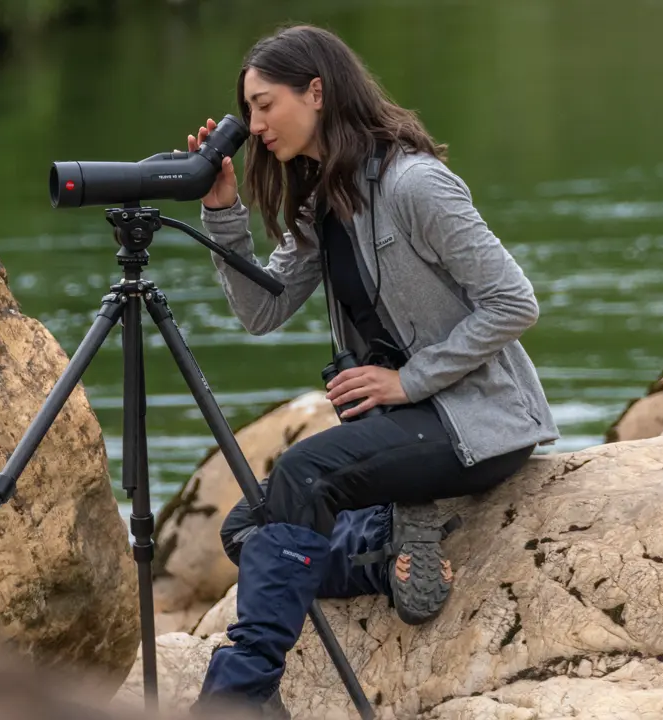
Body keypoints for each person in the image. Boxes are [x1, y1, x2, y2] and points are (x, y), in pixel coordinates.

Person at [186, 23, 559, 717]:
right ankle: (387, 550)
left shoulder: (417, 186)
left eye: (265, 103)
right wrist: (221, 212)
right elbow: (260, 313)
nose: (253, 123)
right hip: (408, 428)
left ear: (317, 92)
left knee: (299, 478)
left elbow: (514, 301)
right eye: (248, 108)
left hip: (477, 424)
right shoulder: (320, 200)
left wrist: (408, 381)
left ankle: (241, 694)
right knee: (246, 529)